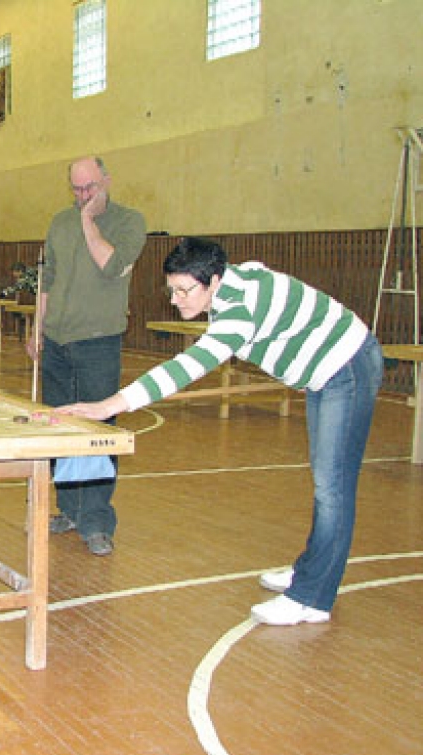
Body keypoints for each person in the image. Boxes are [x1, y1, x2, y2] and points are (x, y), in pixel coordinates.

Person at [58, 237, 384, 626]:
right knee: (325, 482)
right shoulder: (231, 285)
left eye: (184, 290)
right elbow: (258, 272)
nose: (175, 300)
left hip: (346, 369)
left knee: (333, 488)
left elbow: (187, 366)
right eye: (171, 290)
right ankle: (312, 569)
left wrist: (109, 405)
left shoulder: (238, 312)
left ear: (213, 281)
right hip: (325, 373)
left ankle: (312, 597)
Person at [28, 156, 147, 555]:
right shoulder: (58, 222)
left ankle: (96, 522)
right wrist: (38, 327)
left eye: (89, 188)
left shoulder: (130, 222)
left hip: (98, 341)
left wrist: (89, 221)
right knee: (60, 429)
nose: (82, 197)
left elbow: (111, 265)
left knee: (97, 433)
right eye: (76, 190)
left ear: (106, 182)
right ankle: (70, 509)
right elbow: (50, 280)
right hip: (57, 340)